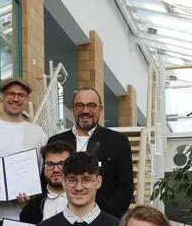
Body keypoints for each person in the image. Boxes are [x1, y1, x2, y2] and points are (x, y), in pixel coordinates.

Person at [0, 77, 49, 222]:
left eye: (21, 95)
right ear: (2, 96)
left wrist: (32, 194)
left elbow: (43, 171)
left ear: (27, 99)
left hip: (19, 216)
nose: (15, 99)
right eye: (10, 94)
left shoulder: (38, 134)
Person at [47, 88, 133, 219]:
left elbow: (125, 187)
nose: (85, 111)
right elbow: (47, 179)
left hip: (101, 220)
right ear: (73, 108)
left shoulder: (117, 141)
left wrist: (107, 215)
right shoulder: (56, 141)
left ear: (100, 109)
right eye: (80, 106)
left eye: (92, 106)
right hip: (61, 217)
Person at [19, 140, 74, 225]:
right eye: (50, 164)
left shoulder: (89, 201)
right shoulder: (31, 208)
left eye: (62, 164)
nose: (55, 170)